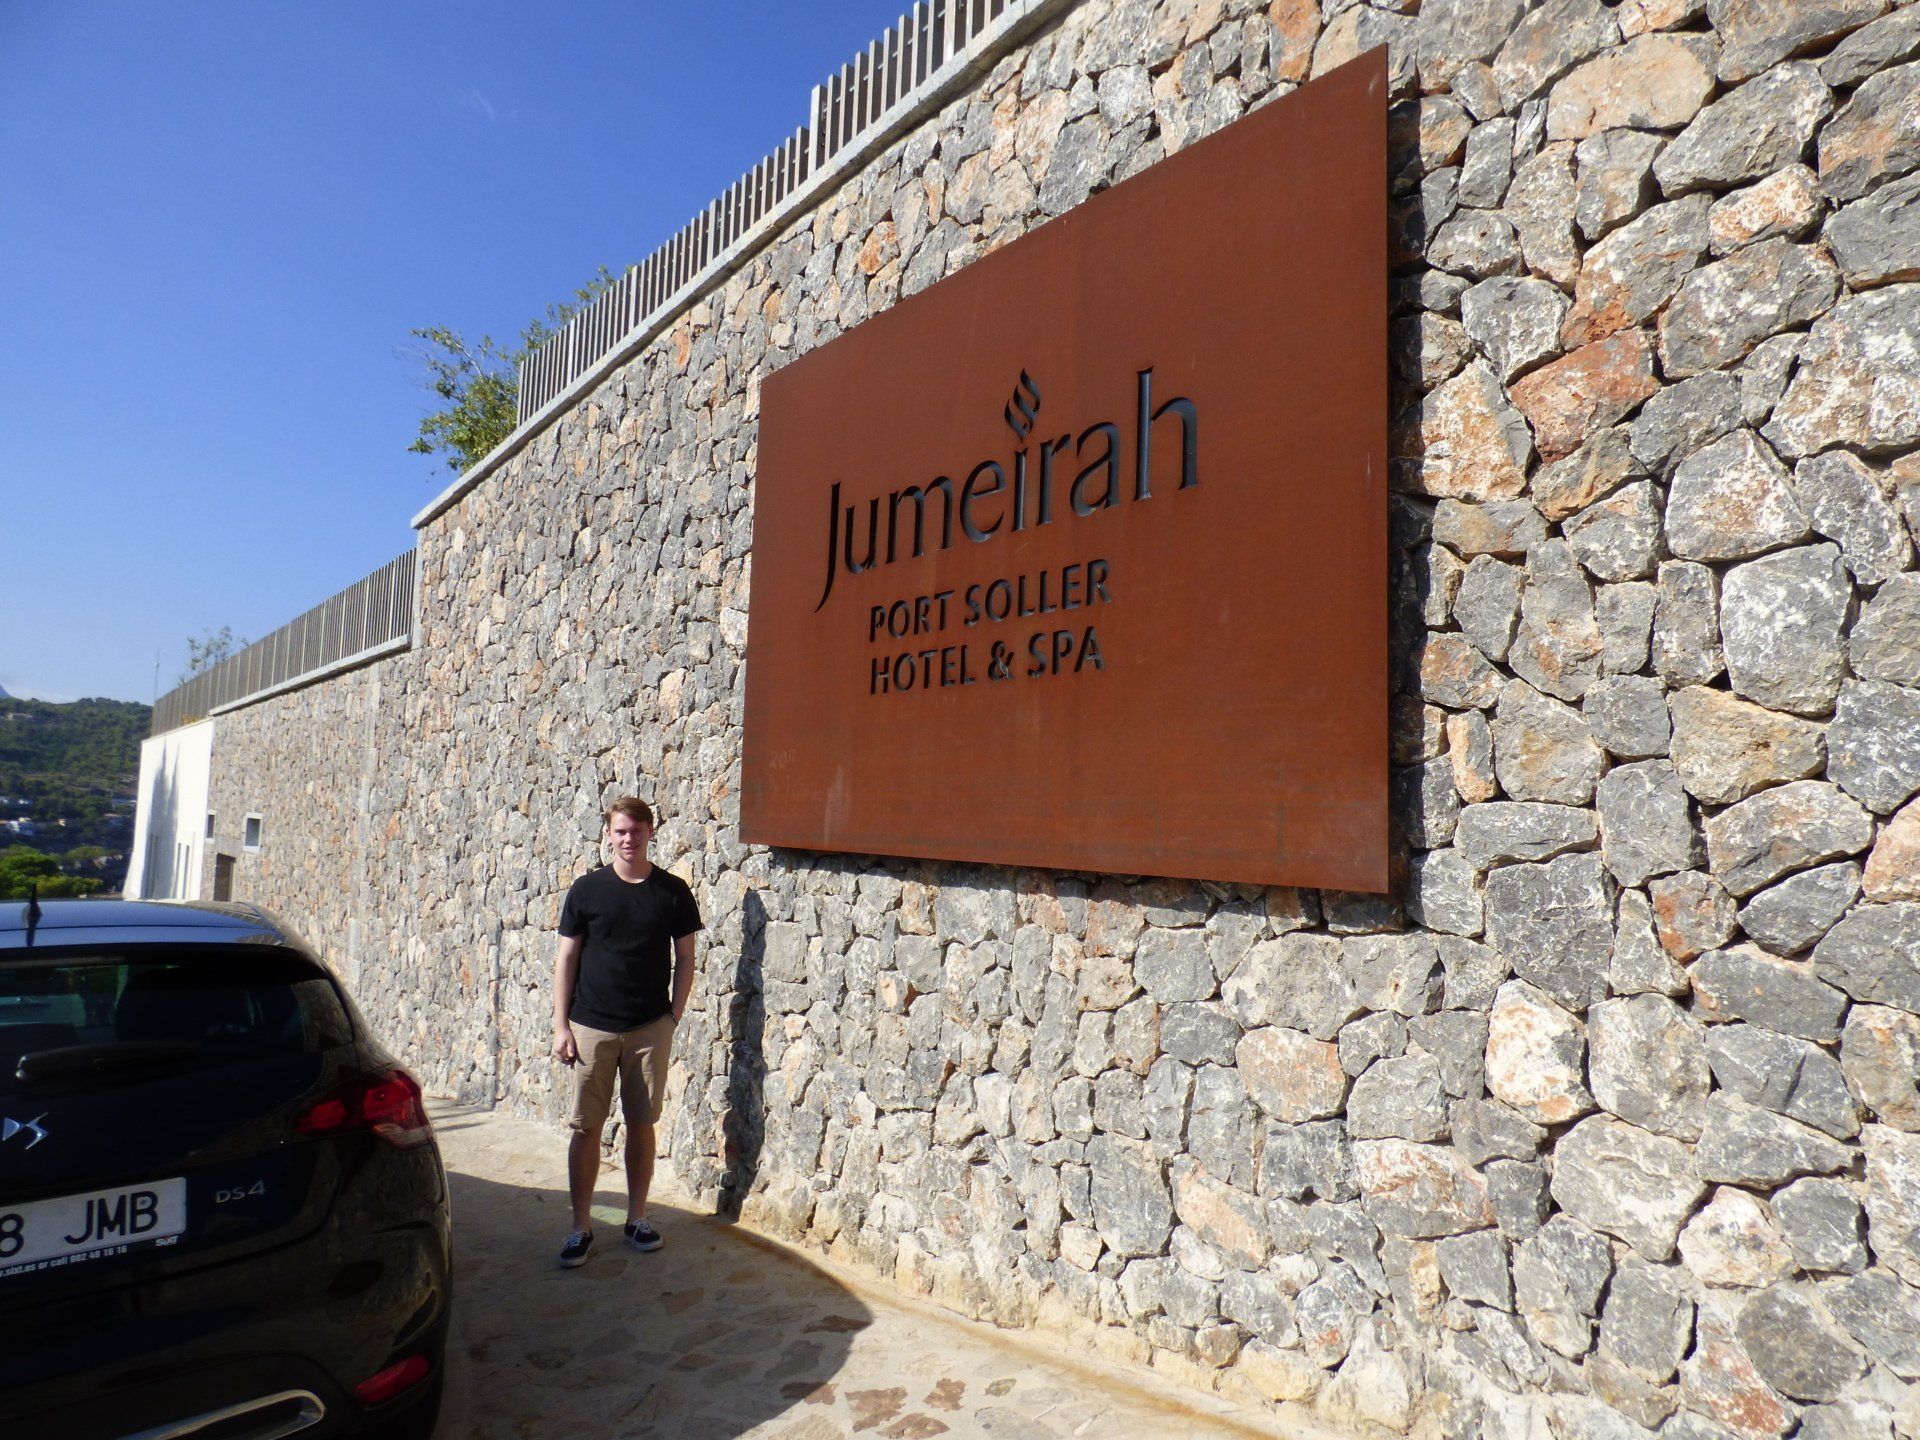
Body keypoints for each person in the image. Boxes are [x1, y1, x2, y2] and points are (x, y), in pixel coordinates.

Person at [551, 796, 702, 1267]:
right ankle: (580, 1227)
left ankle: (637, 1218)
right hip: (590, 1026)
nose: (628, 839)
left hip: (648, 1028)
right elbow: (567, 958)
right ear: (608, 835)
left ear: (650, 833)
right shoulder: (587, 890)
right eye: (620, 831)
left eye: (636, 831)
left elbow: (686, 959)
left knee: (642, 1123)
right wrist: (560, 1025)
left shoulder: (673, 892)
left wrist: (673, 1017)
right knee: (586, 1126)